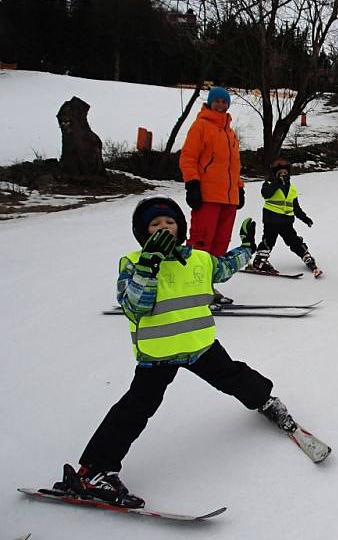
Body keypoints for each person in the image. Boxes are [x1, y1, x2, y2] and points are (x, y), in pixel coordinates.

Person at [51, 196, 298, 509]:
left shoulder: (198, 259)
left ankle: (265, 400)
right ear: (143, 233)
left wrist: (247, 247)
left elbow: (223, 269)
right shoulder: (133, 263)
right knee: (135, 409)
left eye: (170, 223)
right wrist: (149, 266)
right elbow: (134, 306)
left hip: (200, 346)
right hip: (159, 355)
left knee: (234, 376)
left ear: (180, 228)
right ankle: (93, 471)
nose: (164, 228)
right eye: (155, 225)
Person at [179, 86, 244, 304]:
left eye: (224, 102)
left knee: (219, 245)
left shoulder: (230, 133)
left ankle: (207, 286)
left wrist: (239, 188)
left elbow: (234, 166)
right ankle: (191, 286)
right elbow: (188, 157)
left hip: (228, 199)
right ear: (210, 103)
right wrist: (192, 184)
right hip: (207, 196)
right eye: (216, 101)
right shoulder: (201, 126)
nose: (221, 105)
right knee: (200, 243)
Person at [250, 157, 322, 277]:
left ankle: (305, 255)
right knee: (269, 240)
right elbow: (266, 194)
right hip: (271, 220)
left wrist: (304, 218)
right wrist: (277, 182)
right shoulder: (268, 184)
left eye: (285, 172)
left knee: (293, 240)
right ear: (275, 174)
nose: (282, 175)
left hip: (286, 222)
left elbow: (295, 207)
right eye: (280, 173)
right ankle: (260, 260)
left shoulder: (292, 189)